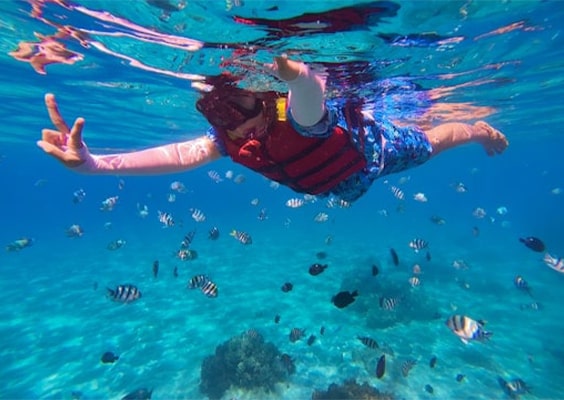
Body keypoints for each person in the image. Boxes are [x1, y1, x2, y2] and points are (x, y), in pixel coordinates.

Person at [38, 56, 508, 202]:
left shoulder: (294, 117)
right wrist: (96, 165)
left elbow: (308, 105)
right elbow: (181, 157)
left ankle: (477, 128)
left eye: (235, 108)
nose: (230, 126)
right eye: (215, 114)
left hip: (371, 154)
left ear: (264, 100)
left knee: (434, 141)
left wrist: (299, 77)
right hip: (337, 181)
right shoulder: (235, 136)